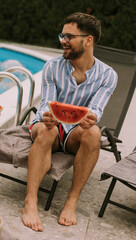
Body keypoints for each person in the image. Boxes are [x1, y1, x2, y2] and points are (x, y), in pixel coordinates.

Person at [22, 12, 118, 231]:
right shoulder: (52, 67)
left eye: (69, 36)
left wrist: (91, 119)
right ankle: (31, 200)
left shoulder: (108, 75)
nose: (63, 41)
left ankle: (72, 200)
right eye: (62, 36)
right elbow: (47, 103)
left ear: (88, 40)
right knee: (48, 130)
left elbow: (96, 110)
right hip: (47, 126)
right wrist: (48, 115)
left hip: (76, 133)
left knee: (94, 132)